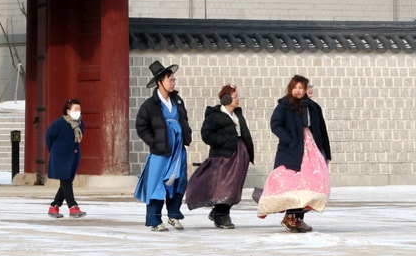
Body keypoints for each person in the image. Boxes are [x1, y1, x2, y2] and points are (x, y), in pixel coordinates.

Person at [258, 74, 332, 233]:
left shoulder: (313, 107)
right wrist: (289, 139)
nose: (298, 91)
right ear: (291, 89)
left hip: (312, 148)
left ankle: (298, 218)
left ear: (306, 90)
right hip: (292, 150)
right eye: (295, 87)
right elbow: (275, 124)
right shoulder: (284, 106)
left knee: (312, 181)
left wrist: (326, 152)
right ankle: (291, 216)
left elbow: (322, 130)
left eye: (301, 88)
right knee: (295, 182)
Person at [184, 83, 254, 229]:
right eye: (235, 97)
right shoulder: (214, 116)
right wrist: (223, 141)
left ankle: (219, 212)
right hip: (223, 155)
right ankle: (221, 215)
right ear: (226, 98)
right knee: (224, 187)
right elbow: (206, 134)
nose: (237, 99)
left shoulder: (237, 115)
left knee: (234, 186)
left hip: (239, 154)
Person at [133, 60, 192, 231]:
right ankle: (154, 220)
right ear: (160, 83)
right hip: (161, 150)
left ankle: (174, 215)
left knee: (179, 181)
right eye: (170, 80)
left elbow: (184, 120)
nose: (173, 83)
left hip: (178, 149)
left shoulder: (178, 101)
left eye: (174, 80)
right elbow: (141, 127)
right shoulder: (150, 105)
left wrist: (186, 134)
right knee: (157, 184)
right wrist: (154, 142)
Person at [44, 98, 86, 219]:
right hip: (61, 156)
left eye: (79, 109)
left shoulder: (80, 124)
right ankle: (73, 207)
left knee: (66, 182)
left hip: (73, 155)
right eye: (75, 109)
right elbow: (49, 136)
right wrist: (54, 150)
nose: (77, 111)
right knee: (66, 182)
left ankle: (54, 206)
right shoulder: (59, 123)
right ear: (68, 111)